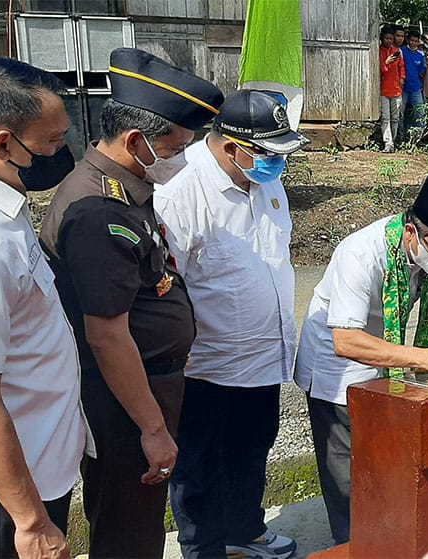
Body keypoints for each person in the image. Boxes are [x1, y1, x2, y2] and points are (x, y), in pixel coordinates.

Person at [39, 47, 223, 558]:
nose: (181, 159)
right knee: (129, 529)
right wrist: (152, 427)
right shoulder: (98, 209)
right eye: (177, 147)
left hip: (147, 384)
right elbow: (107, 333)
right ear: (137, 140)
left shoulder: (126, 189)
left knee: (137, 519)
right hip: (124, 398)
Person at [294, 175, 428, 545]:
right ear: (410, 232)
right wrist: (423, 357)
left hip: (383, 360)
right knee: (350, 477)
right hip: (337, 372)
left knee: (385, 464)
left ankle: (387, 541)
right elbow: (345, 340)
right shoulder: (360, 254)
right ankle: (352, 546)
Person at [155, 91, 307, 559]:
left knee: (252, 447)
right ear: (229, 147)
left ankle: (244, 529)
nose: (276, 165)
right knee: (197, 464)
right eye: (268, 155)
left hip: (264, 357)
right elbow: (165, 280)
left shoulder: (264, 180)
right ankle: (202, 549)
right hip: (207, 366)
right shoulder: (182, 190)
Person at [0, 56, 92, 559]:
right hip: (2, 494)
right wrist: (31, 522)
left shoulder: (1, 206)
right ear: (3, 143)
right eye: (54, 143)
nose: (63, 153)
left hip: (35, 467)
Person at [379, 25, 405, 153]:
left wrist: (402, 79)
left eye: (391, 38)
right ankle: (388, 143)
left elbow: (402, 68)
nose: (389, 41)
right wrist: (386, 63)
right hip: (384, 91)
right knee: (385, 119)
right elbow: (378, 71)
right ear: (382, 39)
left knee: (395, 118)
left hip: (396, 90)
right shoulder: (378, 51)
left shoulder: (397, 51)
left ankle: (393, 142)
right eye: (386, 38)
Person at [399, 28, 426, 142]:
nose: (414, 43)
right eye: (412, 40)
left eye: (416, 41)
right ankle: (400, 137)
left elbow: (422, 72)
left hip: (416, 88)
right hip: (403, 88)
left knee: (420, 113)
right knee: (400, 113)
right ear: (408, 40)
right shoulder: (401, 51)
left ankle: (418, 138)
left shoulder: (420, 56)